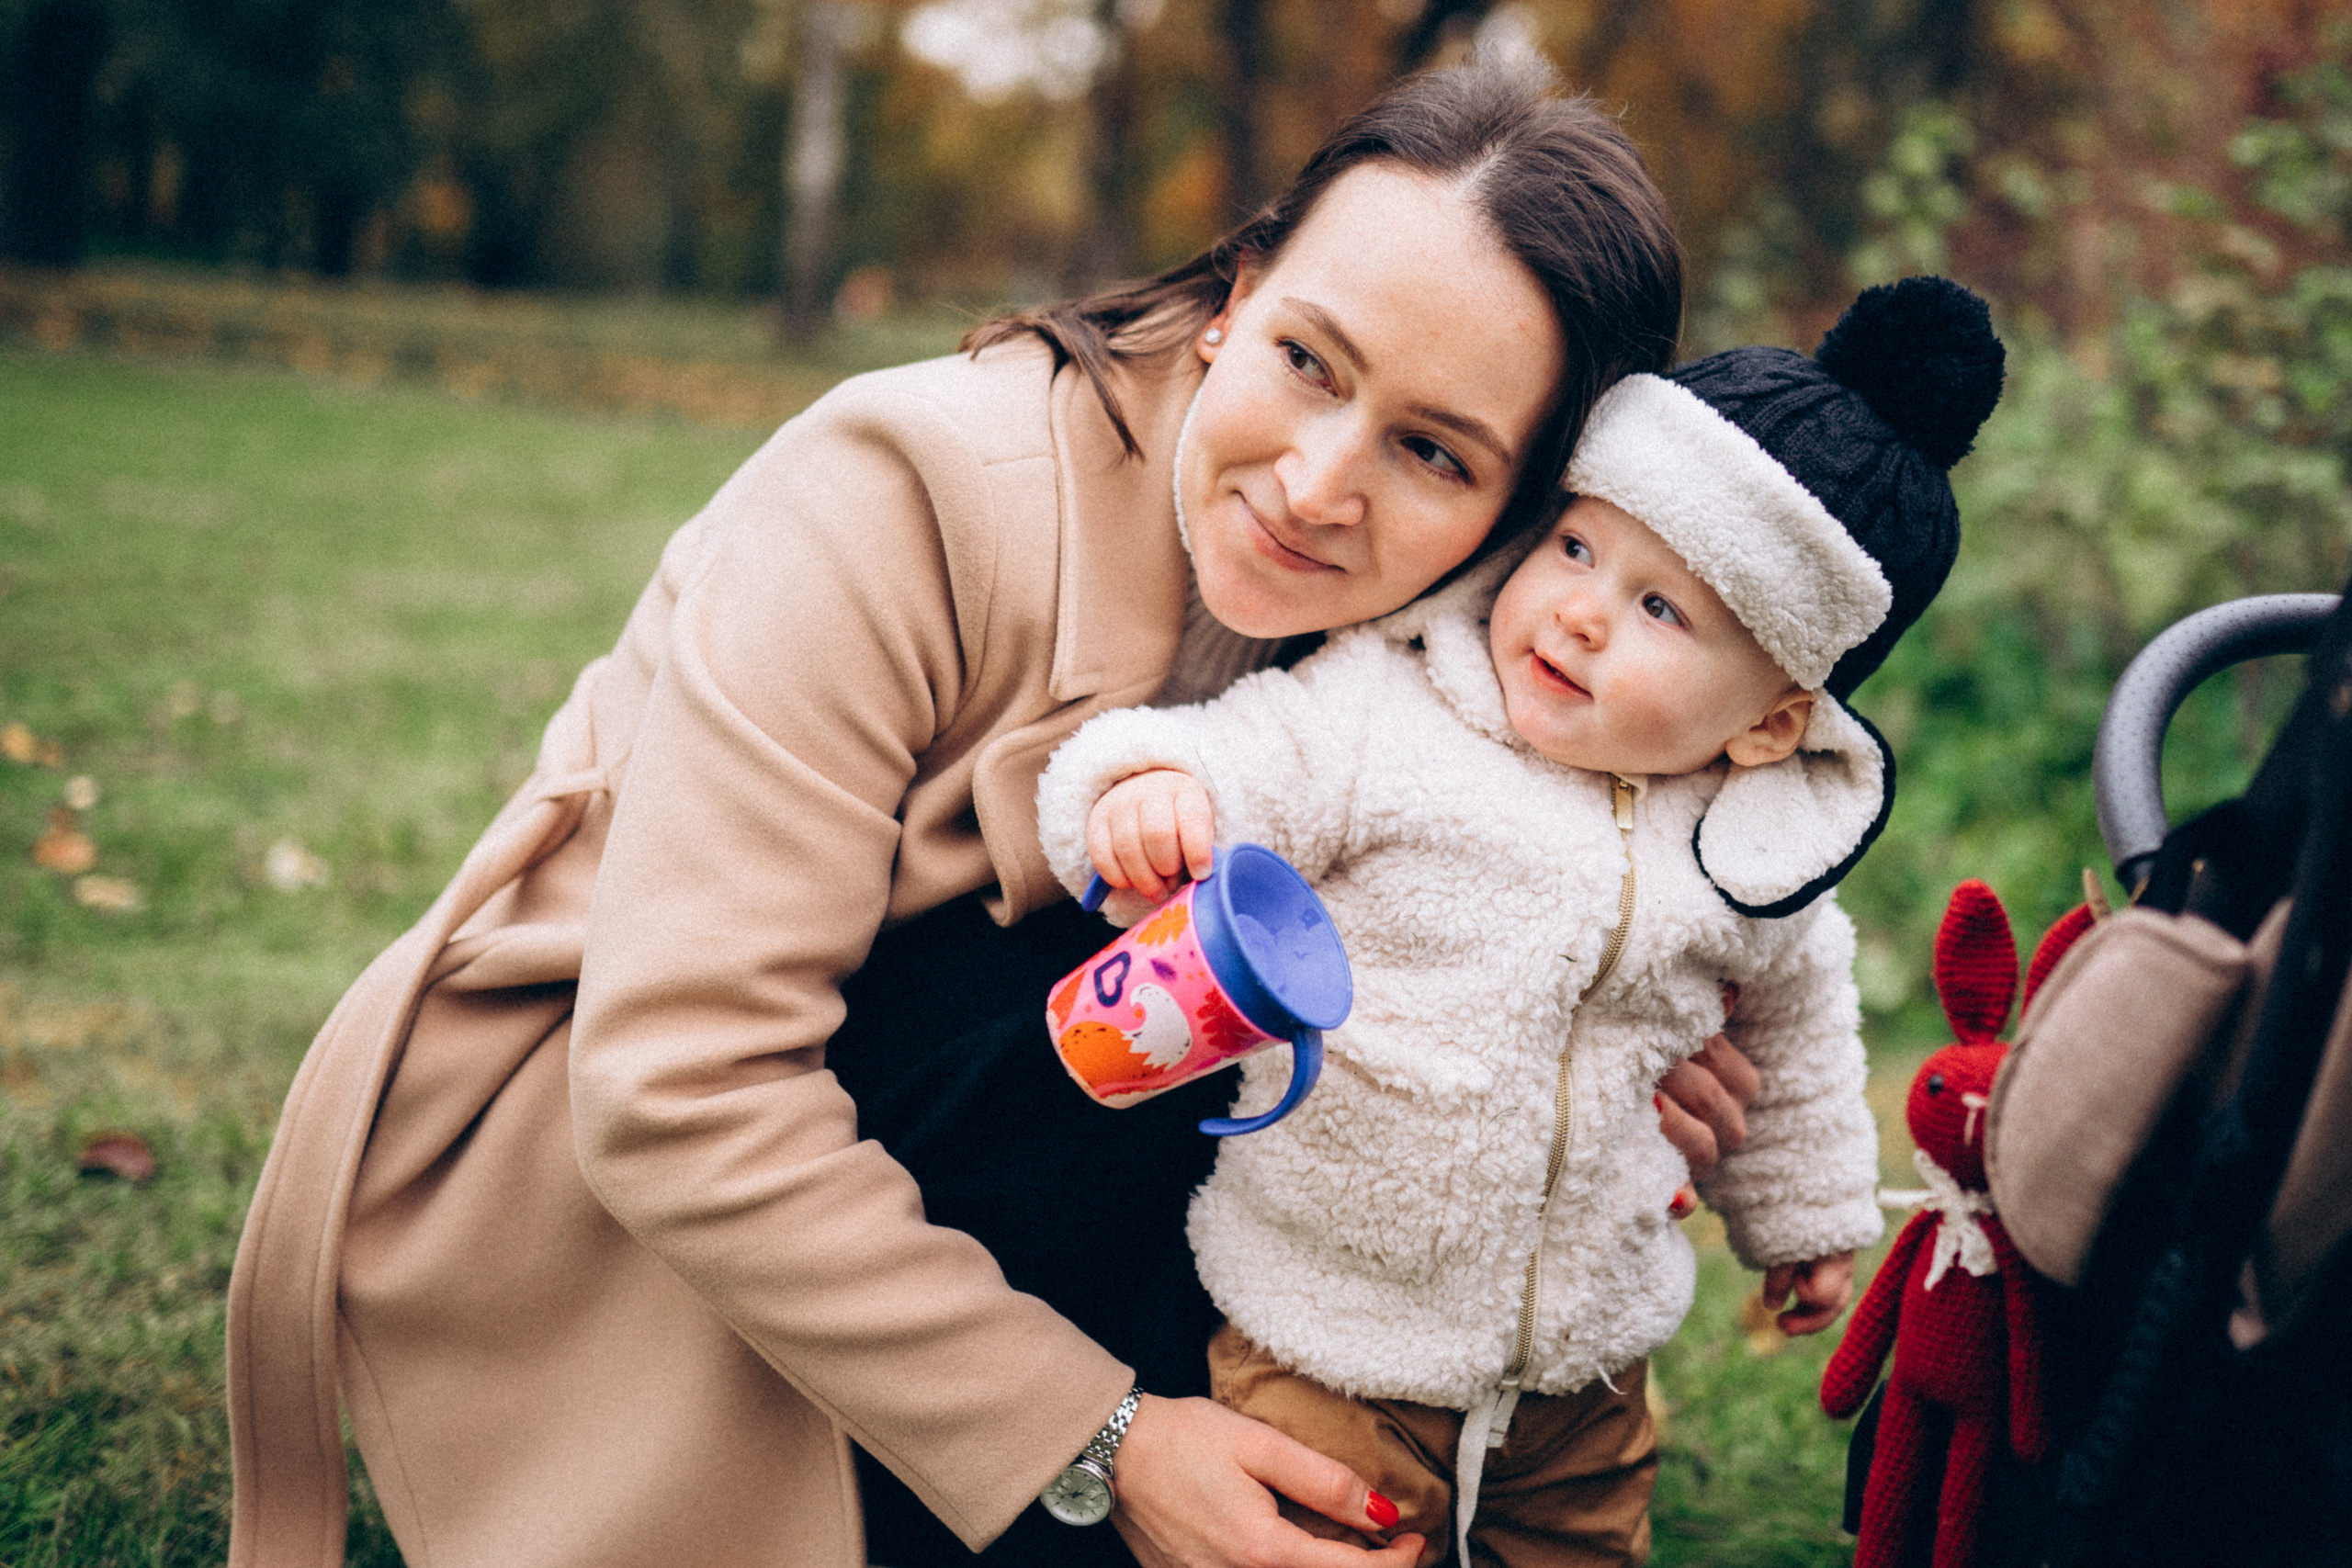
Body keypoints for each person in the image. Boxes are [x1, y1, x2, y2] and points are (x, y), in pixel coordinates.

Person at [224, 57, 1739, 1568]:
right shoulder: (902, 487)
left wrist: (1600, 1034)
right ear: (1238, 293)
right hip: (648, 1160)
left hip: (1049, 1160)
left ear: (1522, 507)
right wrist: (1104, 1438)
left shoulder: (1495, 642)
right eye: (1308, 361)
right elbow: (674, 1084)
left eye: (1432, 451)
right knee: (1152, 961)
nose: (1318, 483)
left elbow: (1552, 891)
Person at [1035, 276, 2007, 1566]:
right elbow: (1243, 755)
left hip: (1583, 1383)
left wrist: (1811, 1219)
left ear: (1773, 720)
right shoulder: (1393, 712)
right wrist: (1149, 794)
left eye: (1663, 610)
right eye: (1577, 548)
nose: (1583, 609)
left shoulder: (1752, 855)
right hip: (1332, 1334)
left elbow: (1805, 1035)